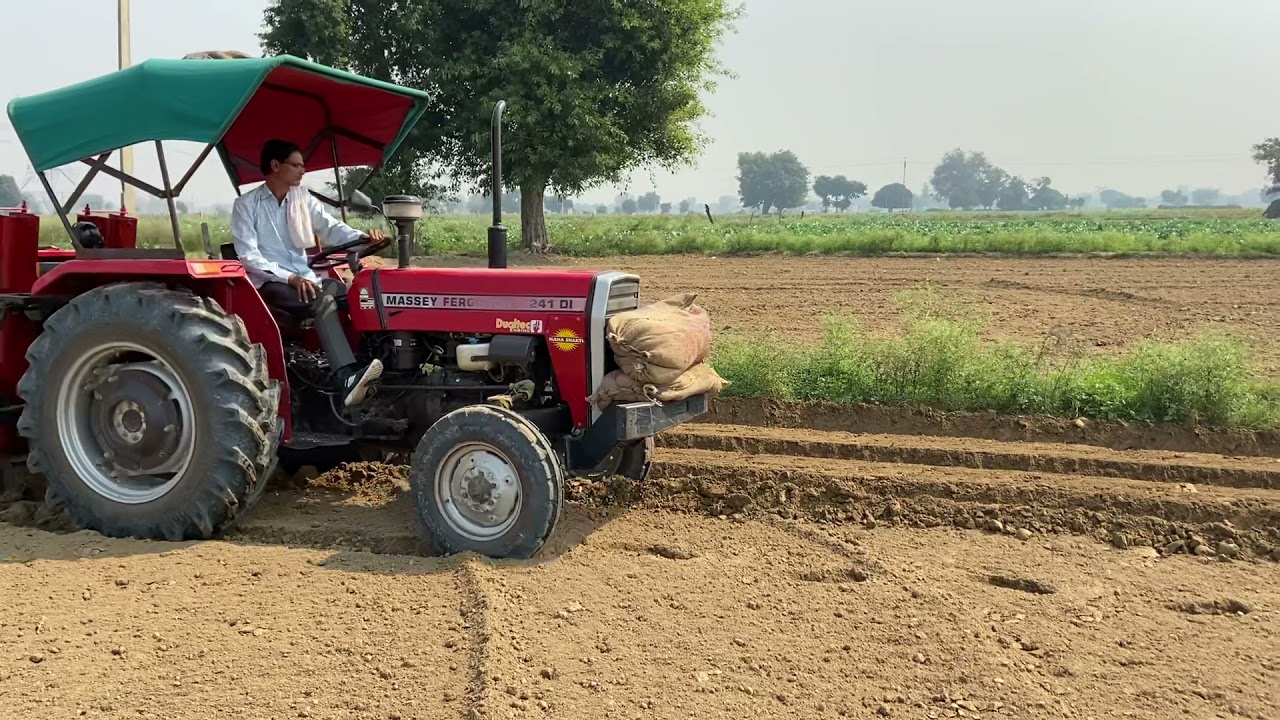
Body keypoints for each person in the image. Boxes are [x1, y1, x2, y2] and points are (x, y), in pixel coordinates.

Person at [231, 139, 386, 408]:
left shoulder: (302, 200)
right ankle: (345, 378)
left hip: (305, 278)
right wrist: (290, 277)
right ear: (276, 166)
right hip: (270, 282)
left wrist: (365, 238)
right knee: (321, 299)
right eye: (297, 165)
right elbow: (249, 257)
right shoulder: (246, 205)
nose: (302, 171)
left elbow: (332, 228)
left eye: (303, 166)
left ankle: (370, 364)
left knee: (355, 293)